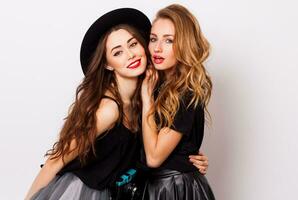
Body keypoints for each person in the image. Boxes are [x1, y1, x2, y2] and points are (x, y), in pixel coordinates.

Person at [25, 7, 209, 200]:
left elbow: (155, 144)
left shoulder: (148, 94)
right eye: (118, 52)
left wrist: (186, 155)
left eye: (133, 44)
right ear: (107, 64)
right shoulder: (109, 109)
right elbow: (55, 161)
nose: (130, 55)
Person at [141, 4, 215, 200]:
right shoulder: (151, 81)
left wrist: (146, 99)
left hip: (175, 189)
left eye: (169, 41)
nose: (157, 48)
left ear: (185, 44)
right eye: (153, 39)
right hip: (149, 186)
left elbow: (154, 157)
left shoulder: (187, 92)